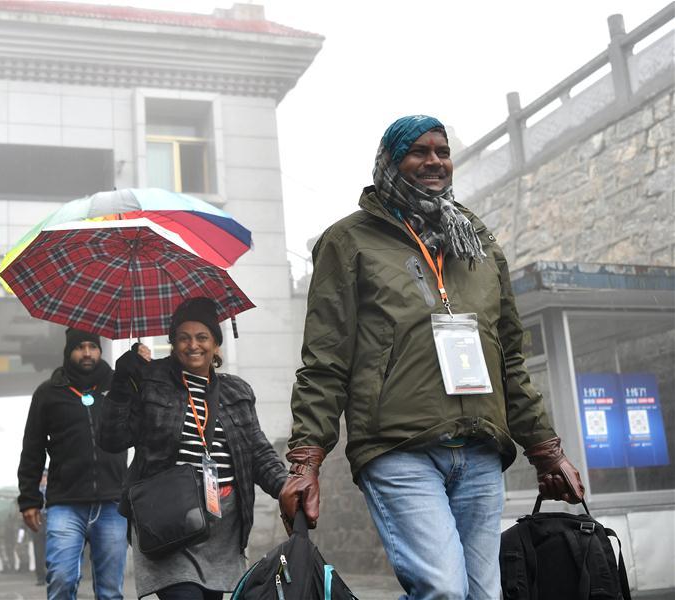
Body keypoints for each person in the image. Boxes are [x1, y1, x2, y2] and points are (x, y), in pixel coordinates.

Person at [279, 115, 586, 600]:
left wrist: (547, 451)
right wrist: (305, 461)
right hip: (398, 446)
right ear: (390, 161)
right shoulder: (349, 242)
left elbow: (509, 359)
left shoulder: (476, 241)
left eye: (442, 151)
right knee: (442, 589)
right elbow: (325, 361)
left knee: (482, 595)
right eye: (418, 151)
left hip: (480, 446)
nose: (434, 161)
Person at [99, 297, 287, 600]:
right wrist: (122, 383)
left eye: (202, 337)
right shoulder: (150, 380)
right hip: (167, 520)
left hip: (222, 525)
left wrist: (287, 488)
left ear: (215, 344)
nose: (193, 345)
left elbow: (258, 452)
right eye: (183, 338)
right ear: (173, 343)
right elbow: (112, 439)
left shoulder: (236, 390)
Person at [18, 328, 129, 599]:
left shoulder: (120, 388)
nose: (87, 353)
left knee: (111, 591)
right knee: (62, 580)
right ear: (69, 352)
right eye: (81, 347)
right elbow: (32, 448)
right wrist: (29, 498)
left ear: (101, 350)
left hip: (113, 503)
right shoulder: (48, 393)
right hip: (65, 504)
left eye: (93, 346)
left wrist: (138, 370)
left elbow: (149, 423)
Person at [31, 470, 48, 586]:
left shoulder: (52, 489)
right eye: (42, 476)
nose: (43, 478)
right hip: (37, 519)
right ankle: (40, 577)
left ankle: (50, 575)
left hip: (49, 518)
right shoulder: (34, 490)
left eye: (45, 476)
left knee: (51, 549)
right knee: (38, 550)